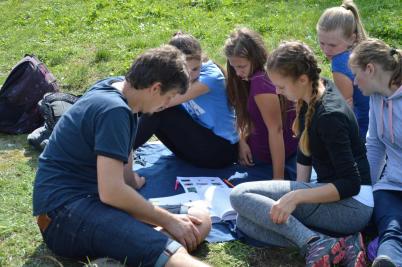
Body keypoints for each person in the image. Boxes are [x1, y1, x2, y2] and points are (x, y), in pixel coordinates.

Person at [33, 45, 211, 267]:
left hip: (92, 201)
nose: (167, 105)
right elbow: (112, 192)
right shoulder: (114, 111)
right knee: (173, 252)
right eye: (170, 97)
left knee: (199, 216)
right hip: (65, 215)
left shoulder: (119, 91)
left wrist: (135, 188)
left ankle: (126, 255)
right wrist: (168, 220)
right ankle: (146, 250)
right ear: (156, 88)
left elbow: (122, 170)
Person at [230, 41, 373, 267]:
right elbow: (306, 153)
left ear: (303, 79)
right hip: (335, 195)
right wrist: (299, 191)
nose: (278, 92)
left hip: (353, 206)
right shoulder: (315, 91)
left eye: (282, 87)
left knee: (239, 196)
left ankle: (313, 241)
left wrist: (296, 197)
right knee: (245, 222)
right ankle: (338, 243)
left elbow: (350, 183)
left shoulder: (329, 117)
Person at [133, 32, 239, 168]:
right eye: (185, 70)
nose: (190, 76)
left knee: (157, 109)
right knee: (147, 104)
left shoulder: (211, 77)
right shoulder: (175, 73)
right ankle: (114, 150)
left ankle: (120, 155)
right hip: (199, 143)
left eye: (195, 69)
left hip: (221, 151)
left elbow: (160, 103)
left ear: (202, 60)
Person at [349, 39, 402, 267]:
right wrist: (364, 193)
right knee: (386, 222)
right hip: (392, 184)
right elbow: (374, 147)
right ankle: (388, 260)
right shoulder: (375, 98)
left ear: (370, 69)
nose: (353, 81)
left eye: (355, 73)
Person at [223, 27, 298, 180]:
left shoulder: (261, 83)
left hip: (266, 158)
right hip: (255, 149)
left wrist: (278, 180)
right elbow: (245, 115)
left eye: (241, 66)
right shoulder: (252, 78)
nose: (237, 72)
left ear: (255, 58)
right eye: (233, 66)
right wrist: (242, 141)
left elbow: (276, 131)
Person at [316, 0, 369, 139]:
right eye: (322, 43)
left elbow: (345, 106)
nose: (326, 50)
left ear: (352, 39)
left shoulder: (340, 63)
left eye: (332, 45)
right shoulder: (364, 49)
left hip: (362, 131)